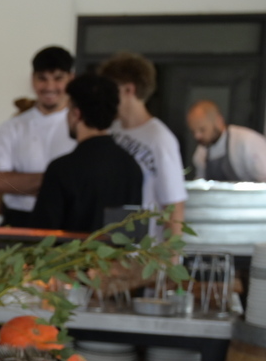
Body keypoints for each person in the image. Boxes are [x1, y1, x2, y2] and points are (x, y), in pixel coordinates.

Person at [29, 74, 143, 233]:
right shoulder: (131, 167)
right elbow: (129, 234)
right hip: (115, 250)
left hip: (68, 250)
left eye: (68, 109)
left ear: (76, 114)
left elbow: (42, 236)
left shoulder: (62, 170)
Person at [0, 46, 76, 227]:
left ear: (71, 79)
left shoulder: (82, 125)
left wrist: (22, 182)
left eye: (58, 78)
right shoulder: (13, 127)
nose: (50, 87)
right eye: (42, 78)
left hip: (68, 222)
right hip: (21, 220)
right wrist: (58, 182)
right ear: (33, 80)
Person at [98, 52, 187, 235]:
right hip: (112, 239)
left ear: (128, 90)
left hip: (146, 245)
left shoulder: (160, 138)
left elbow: (174, 205)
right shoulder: (111, 130)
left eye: (110, 89)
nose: (104, 96)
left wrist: (170, 251)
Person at [187, 100, 266, 182]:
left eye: (202, 130)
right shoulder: (201, 153)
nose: (197, 136)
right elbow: (200, 184)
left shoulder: (246, 141)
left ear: (218, 121)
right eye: (193, 132)